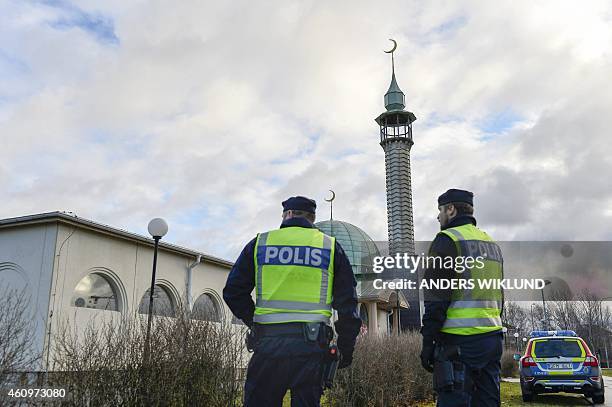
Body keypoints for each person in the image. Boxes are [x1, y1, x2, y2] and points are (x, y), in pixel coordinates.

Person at [223, 196, 361, 407]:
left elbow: (233, 292)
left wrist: (254, 321)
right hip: (311, 348)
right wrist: (345, 348)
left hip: (268, 346)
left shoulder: (261, 243)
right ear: (313, 218)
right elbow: (348, 304)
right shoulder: (330, 247)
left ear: (287, 215)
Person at [420, 189, 504, 407]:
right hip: (492, 339)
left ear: (451, 209)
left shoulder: (447, 240)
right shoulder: (491, 244)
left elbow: (436, 298)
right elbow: (499, 295)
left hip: (458, 343)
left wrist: (428, 342)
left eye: (440, 210)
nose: (438, 217)